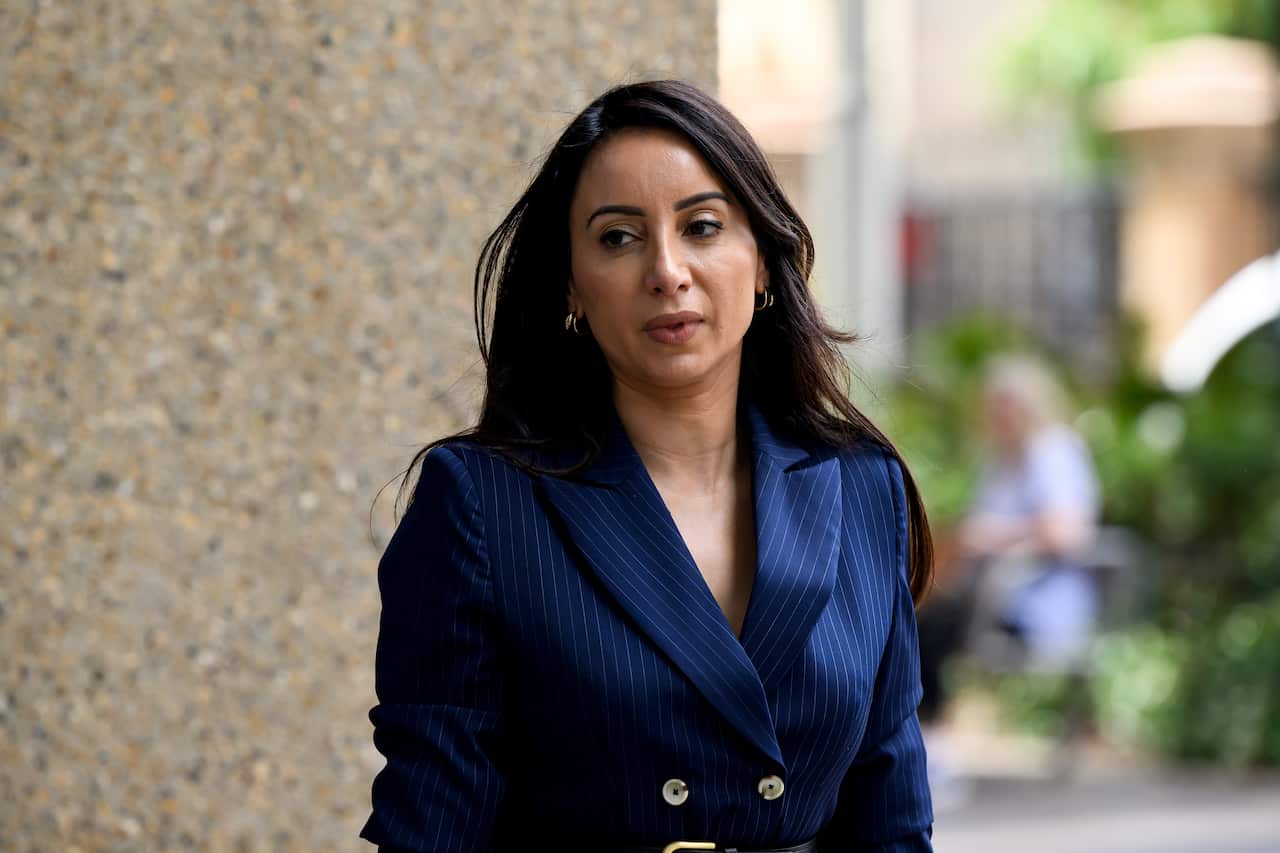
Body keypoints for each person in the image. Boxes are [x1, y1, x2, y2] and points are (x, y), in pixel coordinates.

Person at [360, 79, 935, 853]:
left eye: (701, 226)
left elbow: (892, 820)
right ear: (572, 286)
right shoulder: (483, 504)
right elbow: (432, 829)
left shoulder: (862, 487)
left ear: (762, 262)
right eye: (618, 238)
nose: (667, 270)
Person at [917, 354, 1101, 726]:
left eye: (1005, 408)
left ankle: (927, 733)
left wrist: (994, 535)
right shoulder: (1000, 460)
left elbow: (1067, 532)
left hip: (1033, 602)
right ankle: (923, 732)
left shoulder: (1053, 451)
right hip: (989, 595)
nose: (997, 418)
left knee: (924, 628)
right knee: (912, 611)